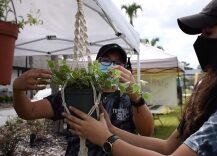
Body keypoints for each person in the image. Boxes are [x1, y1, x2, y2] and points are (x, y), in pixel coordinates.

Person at [63, 0, 217, 155]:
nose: (200, 41)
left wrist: (107, 140)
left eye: (208, 33)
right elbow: (167, 147)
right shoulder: (214, 89)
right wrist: (110, 129)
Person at [12, 43, 154, 156]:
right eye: (105, 60)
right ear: (96, 65)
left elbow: (147, 131)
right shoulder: (76, 92)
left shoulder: (128, 98)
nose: (112, 66)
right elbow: (29, 111)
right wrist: (18, 90)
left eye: (118, 63)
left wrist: (137, 97)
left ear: (125, 68)